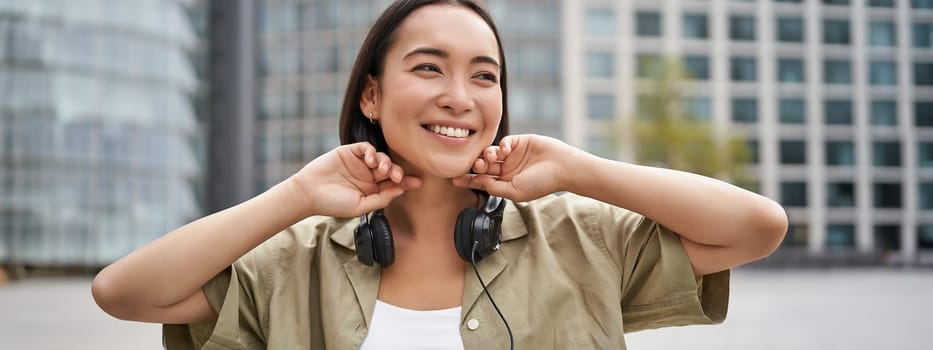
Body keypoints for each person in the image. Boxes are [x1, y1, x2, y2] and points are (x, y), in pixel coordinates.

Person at [91, 0, 788, 349]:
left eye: (484, 77)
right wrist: (298, 195)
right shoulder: (288, 262)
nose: (460, 96)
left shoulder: (582, 239)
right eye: (428, 68)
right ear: (371, 94)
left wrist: (580, 170)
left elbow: (757, 227)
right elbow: (122, 293)